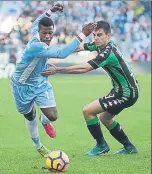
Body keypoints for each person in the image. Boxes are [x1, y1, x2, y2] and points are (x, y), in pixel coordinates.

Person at [10, 3, 96, 158]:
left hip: (39, 81)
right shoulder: (36, 46)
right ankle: (39, 146)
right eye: (45, 33)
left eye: (50, 33)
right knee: (29, 116)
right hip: (21, 86)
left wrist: (51, 11)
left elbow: (39, 20)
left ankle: (44, 121)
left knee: (53, 116)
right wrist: (83, 34)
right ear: (39, 32)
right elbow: (62, 54)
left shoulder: (36, 28)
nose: (48, 36)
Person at [41, 20, 139, 156]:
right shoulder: (99, 45)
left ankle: (101, 145)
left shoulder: (108, 52)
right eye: (94, 35)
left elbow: (85, 68)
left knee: (88, 111)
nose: (96, 38)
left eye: (100, 35)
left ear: (108, 36)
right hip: (122, 90)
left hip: (126, 94)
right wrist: (54, 51)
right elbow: (79, 47)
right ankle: (129, 147)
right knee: (105, 118)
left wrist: (58, 70)